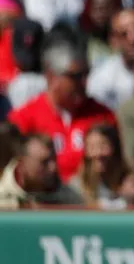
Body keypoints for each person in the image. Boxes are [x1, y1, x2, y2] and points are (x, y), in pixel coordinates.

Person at [8, 41, 118, 184]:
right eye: (76, 76)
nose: (84, 82)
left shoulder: (103, 116)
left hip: (93, 197)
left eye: (86, 75)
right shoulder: (24, 118)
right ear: (51, 77)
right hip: (43, 198)